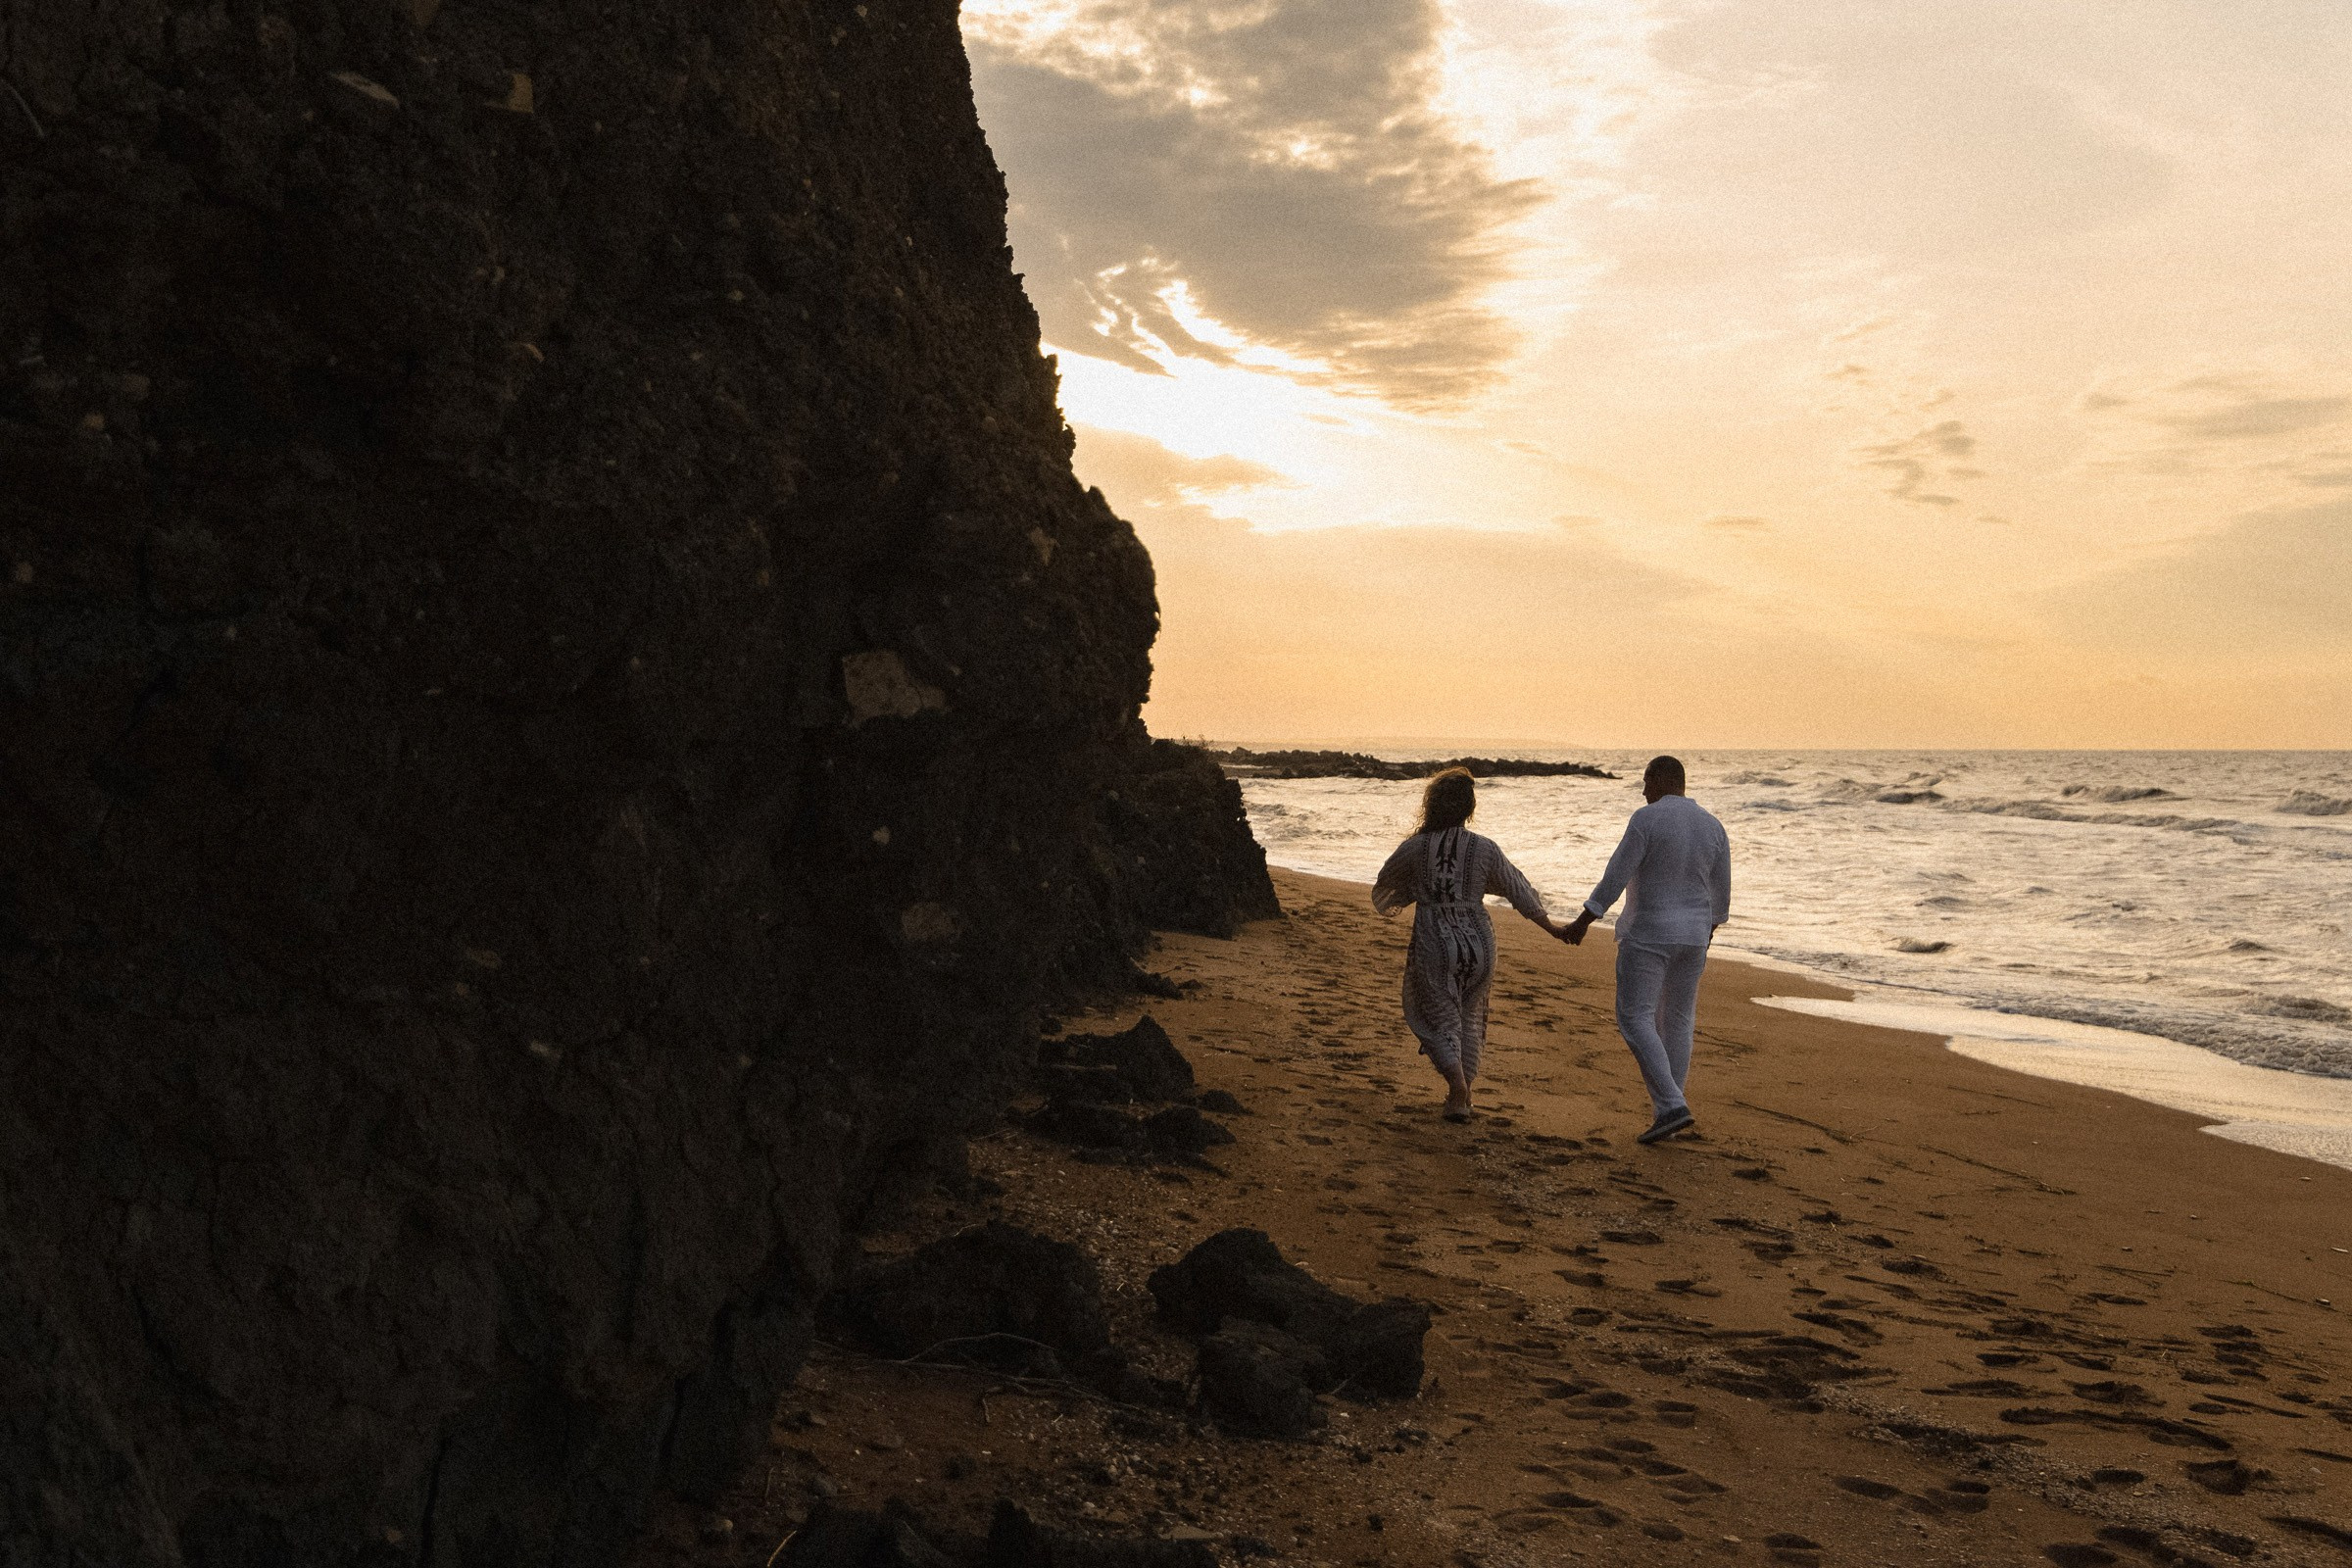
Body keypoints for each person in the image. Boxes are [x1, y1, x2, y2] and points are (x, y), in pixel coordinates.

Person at [1373, 768, 1569, 1121]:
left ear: (1432, 805)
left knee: (1437, 1016)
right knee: (1471, 1016)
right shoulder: (1485, 848)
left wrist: (1419, 893)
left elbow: (1385, 887)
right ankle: (1463, 1098)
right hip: (1480, 942)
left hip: (1435, 939)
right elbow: (1518, 889)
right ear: (1469, 808)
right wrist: (1552, 928)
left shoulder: (1416, 848)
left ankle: (1457, 1087)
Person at [1563, 756, 1732, 1146]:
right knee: (1677, 1020)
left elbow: (1616, 875)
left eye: (1645, 780)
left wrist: (1584, 921)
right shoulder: (1713, 825)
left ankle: (1672, 1105)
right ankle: (1669, 1110)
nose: (1643, 790)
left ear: (1660, 778)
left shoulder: (1647, 818)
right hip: (1694, 936)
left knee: (1635, 1016)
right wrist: (1706, 934)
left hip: (1650, 932)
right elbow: (1721, 893)